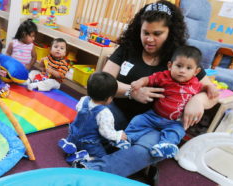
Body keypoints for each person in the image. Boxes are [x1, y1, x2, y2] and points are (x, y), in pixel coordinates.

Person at [73, 0, 219, 177]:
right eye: (146, 32)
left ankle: (91, 170)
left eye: (157, 33)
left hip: (154, 124)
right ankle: (117, 154)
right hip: (119, 111)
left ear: (170, 32)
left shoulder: (181, 58)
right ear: (139, 29)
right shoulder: (128, 47)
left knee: (144, 151)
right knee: (89, 112)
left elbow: (212, 93)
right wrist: (131, 92)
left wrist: (198, 100)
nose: (149, 39)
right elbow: (105, 82)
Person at [126, 45, 212, 158]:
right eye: (179, 66)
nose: (182, 71)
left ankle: (164, 147)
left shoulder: (195, 84)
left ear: (196, 71)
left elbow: (206, 89)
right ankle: (126, 138)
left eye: (188, 68)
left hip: (175, 122)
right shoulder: (164, 76)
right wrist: (139, 83)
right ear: (170, 65)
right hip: (154, 116)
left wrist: (211, 88)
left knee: (178, 132)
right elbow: (148, 79)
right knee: (138, 120)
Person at [58, 72, 129, 163]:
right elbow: (106, 132)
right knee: (103, 159)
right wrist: (119, 135)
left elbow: (78, 109)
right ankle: (85, 157)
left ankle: (70, 144)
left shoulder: (84, 100)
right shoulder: (104, 112)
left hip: (74, 134)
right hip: (89, 143)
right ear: (109, 98)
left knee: (77, 134)